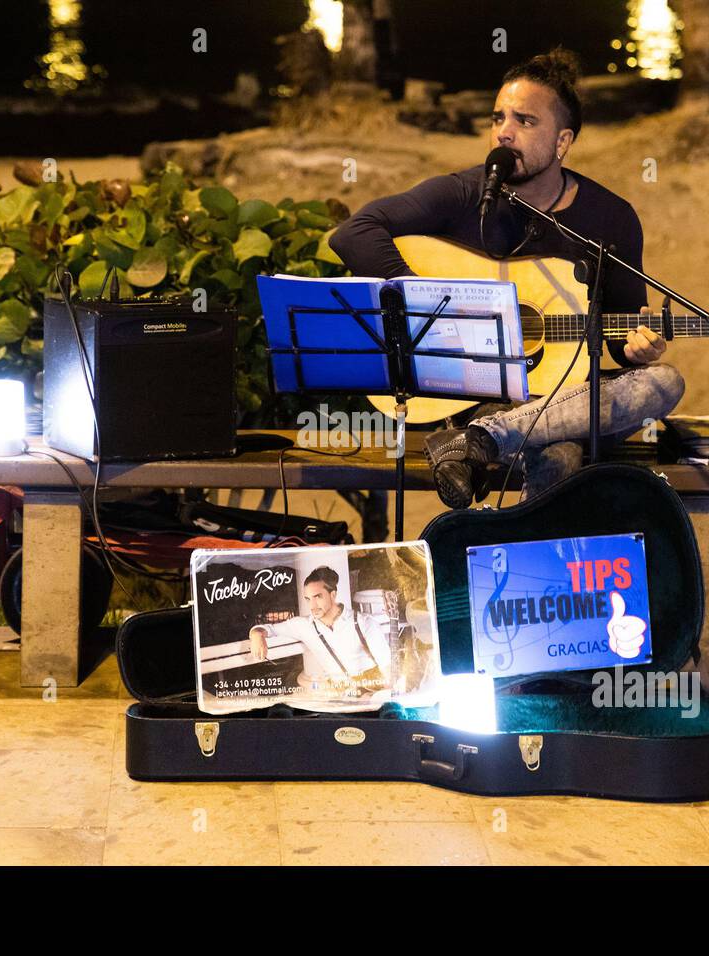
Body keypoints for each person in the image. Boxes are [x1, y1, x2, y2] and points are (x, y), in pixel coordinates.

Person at [328, 46, 685, 508]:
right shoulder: (462, 193)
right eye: (499, 119)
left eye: (525, 121)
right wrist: (429, 300)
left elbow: (619, 336)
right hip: (471, 393)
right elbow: (354, 233)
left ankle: (479, 443)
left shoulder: (610, 218)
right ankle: (533, 566)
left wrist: (639, 347)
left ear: (562, 142)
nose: (505, 133)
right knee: (560, 451)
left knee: (663, 382)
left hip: (562, 395)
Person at [248, 566, 394, 701]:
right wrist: (257, 635)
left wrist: (385, 696)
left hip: (373, 690)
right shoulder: (304, 625)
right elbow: (268, 628)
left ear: (333, 594)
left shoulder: (363, 622)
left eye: (318, 597)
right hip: (341, 696)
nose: (312, 606)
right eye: (308, 599)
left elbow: (387, 666)